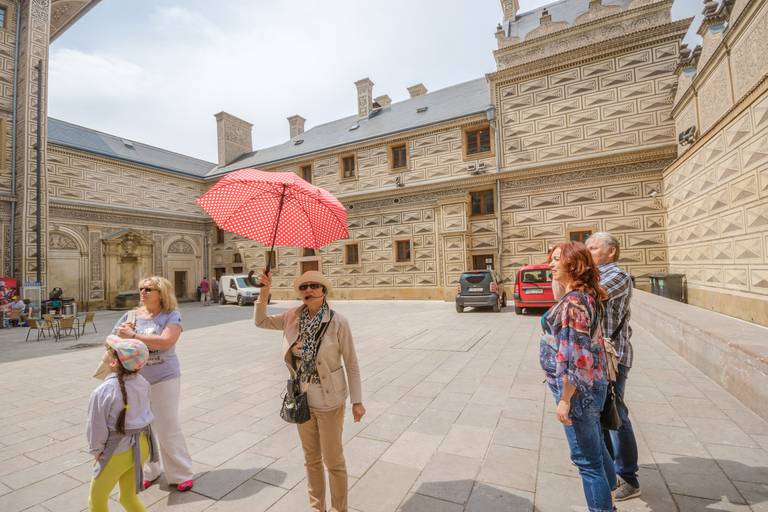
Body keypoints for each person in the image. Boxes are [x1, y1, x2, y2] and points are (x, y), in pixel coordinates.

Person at [255, 269, 365, 512]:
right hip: (301, 399)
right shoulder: (292, 317)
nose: (308, 290)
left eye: (314, 286)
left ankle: (339, 509)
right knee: (311, 460)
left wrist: (357, 400)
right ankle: (318, 508)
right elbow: (260, 321)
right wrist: (264, 291)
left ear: (324, 292)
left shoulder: (338, 323)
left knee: (333, 461)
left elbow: (352, 363)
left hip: (329, 400)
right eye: (304, 287)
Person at [541, 242, 616, 512]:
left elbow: (577, 359)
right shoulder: (583, 296)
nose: (550, 264)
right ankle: (612, 501)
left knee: (587, 461)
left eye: (556, 260)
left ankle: (602, 507)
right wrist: (558, 273)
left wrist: (565, 399)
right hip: (592, 385)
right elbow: (558, 296)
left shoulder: (574, 303)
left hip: (578, 392)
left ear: (573, 266)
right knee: (598, 449)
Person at [112, 277, 194, 492]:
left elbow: (167, 341)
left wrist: (132, 335)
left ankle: (181, 473)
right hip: (135, 380)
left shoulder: (171, 315)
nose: (143, 292)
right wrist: (121, 337)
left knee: (167, 425)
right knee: (141, 428)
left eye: (149, 289)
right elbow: (110, 340)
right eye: (141, 288)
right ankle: (151, 470)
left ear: (162, 292)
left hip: (164, 378)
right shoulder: (131, 316)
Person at [586, 232, 639, 502]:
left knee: (616, 415)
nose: (588, 251)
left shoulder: (617, 275)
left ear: (611, 252)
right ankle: (611, 472)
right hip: (596, 358)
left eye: (593, 248)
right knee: (600, 416)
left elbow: (587, 296)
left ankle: (629, 477)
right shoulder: (591, 276)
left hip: (613, 357)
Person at [87, 335, 157, 512]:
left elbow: (96, 428)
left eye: (109, 351)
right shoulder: (143, 382)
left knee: (96, 501)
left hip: (118, 451)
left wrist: (97, 452)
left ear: (113, 363)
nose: (106, 351)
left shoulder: (103, 392)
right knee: (128, 497)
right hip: (142, 444)